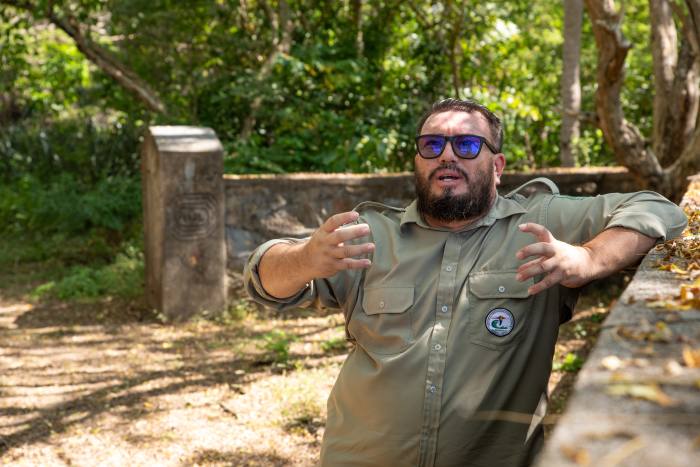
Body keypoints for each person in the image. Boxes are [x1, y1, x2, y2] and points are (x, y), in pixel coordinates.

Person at [243, 98, 687, 467]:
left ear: (497, 166)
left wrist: (588, 257)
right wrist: (304, 258)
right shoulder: (372, 235)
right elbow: (262, 276)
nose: (447, 155)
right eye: (432, 144)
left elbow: (660, 210)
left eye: (467, 144)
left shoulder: (542, 220)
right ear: (417, 160)